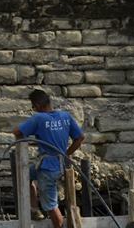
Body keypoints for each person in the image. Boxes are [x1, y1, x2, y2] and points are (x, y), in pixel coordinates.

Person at [13, 89, 85, 228]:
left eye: (33, 107)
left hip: (47, 169)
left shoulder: (39, 118)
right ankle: (35, 209)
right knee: (25, 174)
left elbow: (17, 131)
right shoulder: (65, 116)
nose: (34, 109)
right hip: (59, 164)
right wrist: (66, 153)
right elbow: (80, 137)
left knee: (51, 206)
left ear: (37, 105)